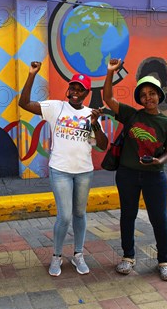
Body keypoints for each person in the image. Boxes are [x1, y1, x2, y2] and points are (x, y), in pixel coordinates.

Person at [18, 61, 108, 277]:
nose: (75, 92)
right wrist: (32, 74)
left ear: (86, 92)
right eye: (73, 88)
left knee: (80, 213)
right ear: (69, 89)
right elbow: (24, 103)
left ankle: (78, 254)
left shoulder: (91, 114)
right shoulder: (55, 107)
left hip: (84, 171)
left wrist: (95, 123)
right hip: (60, 170)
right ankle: (57, 256)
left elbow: (103, 145)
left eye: (80, 89)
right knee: (65, 216)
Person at [103, 58, 167, 281]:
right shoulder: (131, 115)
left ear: (159, 95)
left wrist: (158, 161)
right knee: (128, 215)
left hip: (155, 176)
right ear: (140, 98)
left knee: (158, 218)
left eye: (152, 93)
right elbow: (108, 98)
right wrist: (109, 73)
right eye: (144, 94)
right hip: (127, 174)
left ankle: (164, 261)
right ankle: (128, 257)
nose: (148, 98)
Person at [136, 57, 167, 144]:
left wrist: (163, 141)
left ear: (162, 87)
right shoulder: (139, 115)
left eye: (152, 92)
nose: (149, 97)